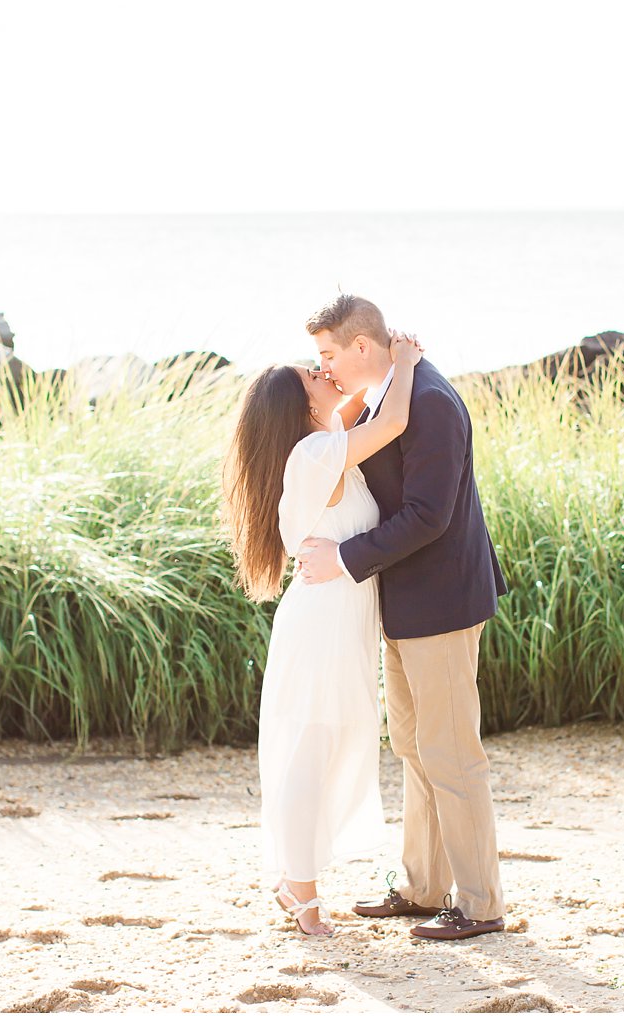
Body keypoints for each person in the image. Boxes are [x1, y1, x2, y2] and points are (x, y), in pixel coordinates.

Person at [295, 294, 509, 941]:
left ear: (363, 347)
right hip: (407, 602)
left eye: (328, 353)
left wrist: (343, 559)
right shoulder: (390, 394)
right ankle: (422, 888)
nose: (323, 366)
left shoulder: (433, 403)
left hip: (442, 603)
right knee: (416, 749)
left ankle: (480, 905)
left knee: (452, 754)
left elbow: (428, 516)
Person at [221, 331, 425, 936]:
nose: (325, 373)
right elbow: (390, 422)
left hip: (340, 619)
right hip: (322, 625)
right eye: (315, 374)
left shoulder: (328, 446)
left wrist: (369, 368)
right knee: (312, 750)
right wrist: (406, 361)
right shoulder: (314, 455)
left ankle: (294, 879)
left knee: (335, 745)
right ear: (302, 404)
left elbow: (371, 414)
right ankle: (302, 891)